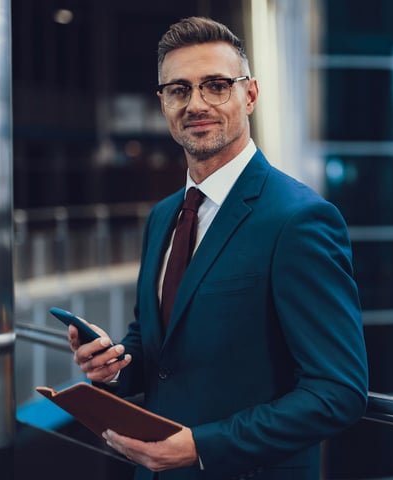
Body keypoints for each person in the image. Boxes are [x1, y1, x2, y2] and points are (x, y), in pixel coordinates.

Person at [69, 16, 368, 480]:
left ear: (249, 95)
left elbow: (339, 391)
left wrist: (202, 447)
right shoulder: (163, 216)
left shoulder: (299, 219)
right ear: (163, 103)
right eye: (179, 90)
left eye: (215, 85)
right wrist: (112, 365)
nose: (196, 104)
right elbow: (155, 350)